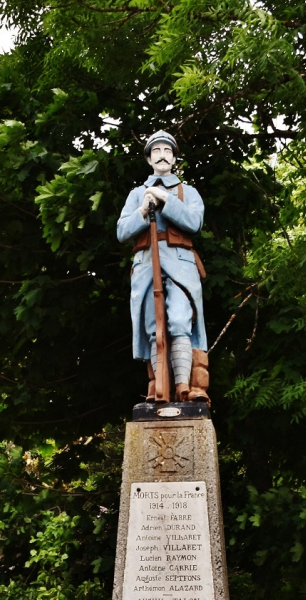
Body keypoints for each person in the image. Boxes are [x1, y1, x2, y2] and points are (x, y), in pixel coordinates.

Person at [117, 130, 209, 403]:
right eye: (156, 151)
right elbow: (122, 231)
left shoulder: (187, 191)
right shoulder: (137, 194)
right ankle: (159, 388)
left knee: (180, 321)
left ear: (174, 158)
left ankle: (184, 387)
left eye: (167, 151)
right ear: (148, 158)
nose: (162, 155)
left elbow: (194, 222)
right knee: (152, 327)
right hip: (146, 266)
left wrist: (167, 200)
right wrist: (143, 210)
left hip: (181, 266)